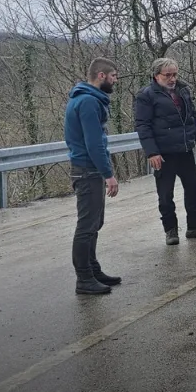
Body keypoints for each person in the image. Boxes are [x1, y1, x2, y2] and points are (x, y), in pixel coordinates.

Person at [134, 58, 196, 246]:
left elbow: (193, 116)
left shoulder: (183, 90)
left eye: (174, 74)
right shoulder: (146, 95)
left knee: (194, 188)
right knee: (165, 194)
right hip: (163, 153)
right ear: (156, 76)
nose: (172, 79)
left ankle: (195, 227)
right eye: (167, 75)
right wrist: (152, 152)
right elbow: (143, 126)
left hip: (184, 150)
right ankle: (170, 230)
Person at [64, 58, 122, 295]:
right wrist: (108, 174)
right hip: (88, 170)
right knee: (87, 225)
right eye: (113, 76)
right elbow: (93, 142)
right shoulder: (88, 101)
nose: (115, 80)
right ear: (101, 75)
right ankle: (84, 278)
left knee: (95, 223)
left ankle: (93, 269)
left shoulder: (90, 99)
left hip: (90, 169)